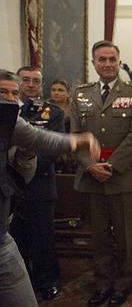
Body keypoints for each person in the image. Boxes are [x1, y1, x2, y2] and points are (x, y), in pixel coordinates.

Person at [0, 69, 99, 306]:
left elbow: (39, 138)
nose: (9, 99)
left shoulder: (11, 118)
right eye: (2, 92)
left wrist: (76, 141)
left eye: (14, 93)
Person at [70, 40, 132, 306]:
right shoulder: (81, 93)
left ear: (119, 61)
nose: (107, 64)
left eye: (112, 59)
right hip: (91, 175)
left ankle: (123, 284)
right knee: (99, 235)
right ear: (93, 63)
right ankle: (103, 283)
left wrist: (111, 166)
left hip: (120, 175)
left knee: (125, 237)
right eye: (101, 60)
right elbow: (75, 136)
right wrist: (89, 165)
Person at [10, 66, 65, 301]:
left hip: (39, 185)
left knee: (43, 238)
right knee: (15, 238)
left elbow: (51, 148)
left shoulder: (52, 113)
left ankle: (47, 281)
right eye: (26, 80)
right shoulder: (8, 111)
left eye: (36, 81)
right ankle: (20, 283)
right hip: (9, 188)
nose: (31, 85)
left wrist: (22, 172)